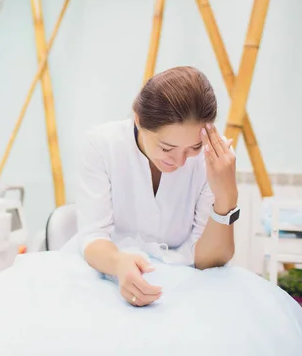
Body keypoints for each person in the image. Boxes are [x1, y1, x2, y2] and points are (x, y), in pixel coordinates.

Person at [75, 66, 239, 307]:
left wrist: (227, 196)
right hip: (107, 272)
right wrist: (119, 264)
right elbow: (94, 235)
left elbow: (208, 260)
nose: (180, 161)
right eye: (166, 148)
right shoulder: (102, 145)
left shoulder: (213, 159)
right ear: (139, 120)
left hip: (186, 285)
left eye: (193, 148)